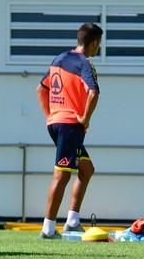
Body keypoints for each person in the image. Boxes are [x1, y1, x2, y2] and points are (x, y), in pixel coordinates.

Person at [36, 22, 104, 239]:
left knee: (86, 169)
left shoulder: (60, 58)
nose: (98, 48)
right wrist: (85, 119)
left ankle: (73, 221)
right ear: (93, 42)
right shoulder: (85, 64)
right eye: (99, 44)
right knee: (62, 175)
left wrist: (49, 116)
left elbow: (41, 88)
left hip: (56, 123)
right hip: (70, 125)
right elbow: (93, 93)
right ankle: (48, 228)